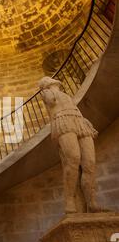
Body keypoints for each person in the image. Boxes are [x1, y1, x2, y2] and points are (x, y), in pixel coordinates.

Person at [39, 76, 100, 214]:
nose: (53, 80)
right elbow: (51, 102)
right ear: (45, 84)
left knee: (89, 163)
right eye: (48, 80)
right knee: (73, 158)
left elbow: (74, 108)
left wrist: (85, 121)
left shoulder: (65, 94)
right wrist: (47, 91)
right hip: (62, 120)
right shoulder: (46, 92)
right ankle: (70, 201)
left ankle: (92, 202)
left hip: (79, 121)